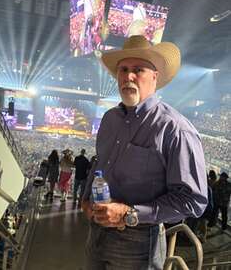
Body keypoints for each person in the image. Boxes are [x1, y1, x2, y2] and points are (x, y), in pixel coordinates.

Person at [82, 35, 208, 269]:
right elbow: (101, 163)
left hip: (139, 243)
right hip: (96, 234)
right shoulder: (110, 119)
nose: (128, 76)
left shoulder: (175, 129)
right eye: (123, 69)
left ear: (155, 77)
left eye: (138, 69)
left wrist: (129, 213)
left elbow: (193, 201)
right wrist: (86, 198)